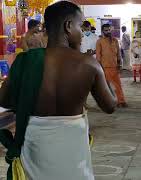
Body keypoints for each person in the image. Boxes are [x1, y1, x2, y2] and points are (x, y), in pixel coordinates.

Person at [0, 1, 117, 179]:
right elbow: (110, 106)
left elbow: (4, 100)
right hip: (73, 144)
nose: (83, 34)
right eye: (80, 25)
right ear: (69, 26)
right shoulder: (88, 64)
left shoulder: (25, 61)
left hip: (34, 143)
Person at [96, 24, 128, 108]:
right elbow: (98, 56)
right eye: (106, 30)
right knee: (105, 86)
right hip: (104, 67)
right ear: (103, 31)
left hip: (114, 67)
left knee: (118, 85)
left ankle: (121, 101)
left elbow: (118, 54)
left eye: (109, 30)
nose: (108, 31)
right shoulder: (99, 41)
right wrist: (99, 68)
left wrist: (120, 64)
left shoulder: (115, 40)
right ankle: (107, 103)